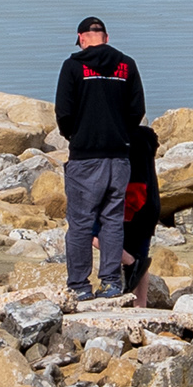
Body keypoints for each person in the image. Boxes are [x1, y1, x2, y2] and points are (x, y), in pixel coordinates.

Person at [54, 15, 144, 303]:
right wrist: (120, 134)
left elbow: (64, 113)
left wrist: (77, 137)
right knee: (112, 221)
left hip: (85, 156)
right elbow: (136, 110)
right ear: (105, 37)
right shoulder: (126, 65)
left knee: (80, 223)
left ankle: (80, 285)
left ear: (82, 39)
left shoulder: (73, 66)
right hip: (118, 156)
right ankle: (110, 282)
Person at [123, 118, 164, 302]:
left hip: (135, 206)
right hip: (151, 205)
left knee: (94, 234)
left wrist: (127, 213)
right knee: (141, 255)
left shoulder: (131, 140)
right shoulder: (146, 138)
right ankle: (140, 305)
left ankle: (131, 263)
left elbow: (136, 184)